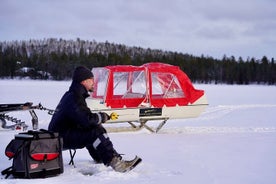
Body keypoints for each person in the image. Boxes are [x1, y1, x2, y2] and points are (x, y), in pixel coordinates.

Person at [48, 66, 141, 172]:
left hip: (60, 135)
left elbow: (82, 118)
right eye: (91, 80)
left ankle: (102, 158)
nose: (94, 82)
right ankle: (117, 163)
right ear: (84, 81)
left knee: (92, 129)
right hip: (60, 138)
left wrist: (97, 118)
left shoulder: (73, 95)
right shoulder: (74, 97)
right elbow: (86, 120)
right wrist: (102, 116)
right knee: (95, 131)